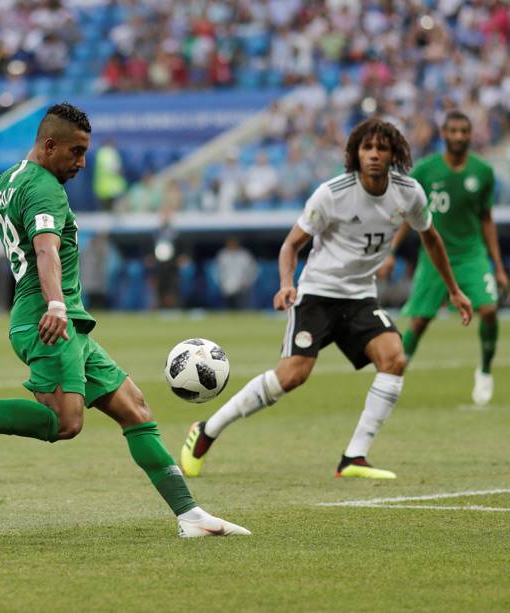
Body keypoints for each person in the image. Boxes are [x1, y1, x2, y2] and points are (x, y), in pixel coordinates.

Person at [0, 103, 249, 538]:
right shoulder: (44, 190)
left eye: (85, 153)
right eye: (75, 152)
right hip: (47, 318)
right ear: (49, 145)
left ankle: (191, 517)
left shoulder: (6, 181)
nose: (81, 163)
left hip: (66, 321)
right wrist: (55, 304)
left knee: (135, 410)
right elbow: (46, 250)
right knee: (65, 423)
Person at [181, 118, 472, 481]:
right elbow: (291, 244)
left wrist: (455, 290)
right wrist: (287, 283)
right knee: (292, 376)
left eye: (382, 148)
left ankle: (354, 457)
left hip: (360, 296)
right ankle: (207, 430)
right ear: (355, 154)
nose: (375, 155)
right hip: (317, 293)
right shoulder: (332, 193)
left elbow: (431, 238)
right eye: (368, 148)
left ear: (395, 153)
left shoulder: (409, 193)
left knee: (395, 358)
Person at [381, 110, 506, 406]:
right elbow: (408, 215)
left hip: (471, 254)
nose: (459, 136)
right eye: (454, 131)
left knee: (488, 310)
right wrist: (391, 253)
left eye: (464, 131)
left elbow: (486, 219)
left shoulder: (483, 172)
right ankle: (393, 378)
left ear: (471, 134)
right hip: (435, 255)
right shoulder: (425, 171)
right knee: (420, 321)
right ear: (444, 134)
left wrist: (498, 266)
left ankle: (485, 371)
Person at [215, 237, 258, 309]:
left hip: (242, 287)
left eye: (234, 243)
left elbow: (253, 271)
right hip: (226, 287)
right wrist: (222, 283)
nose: (232, 245)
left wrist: (247, 282)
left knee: (242, 307)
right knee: (228, 307)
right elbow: (217, 271)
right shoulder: (222, 255)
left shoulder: (245, 255)